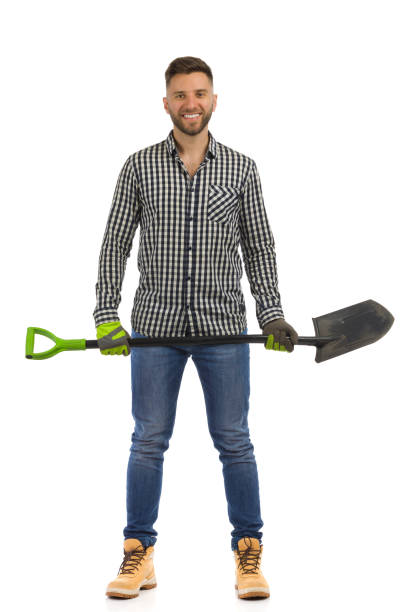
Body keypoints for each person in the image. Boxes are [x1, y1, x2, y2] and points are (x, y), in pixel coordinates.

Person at [93, 56, 298, 600]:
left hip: (224, 329)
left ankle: (248, 554)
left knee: (234, 441)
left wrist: (271, 313)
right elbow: (115, 245)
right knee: (148, 441)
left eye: (200, 93)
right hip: (155, 331)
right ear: (166, 102)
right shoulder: (139, 166)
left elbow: (259, 248)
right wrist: (105, 316)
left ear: (214, 99)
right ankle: (139, 552)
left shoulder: (241, 168)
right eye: (180, 94)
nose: (191, 103)